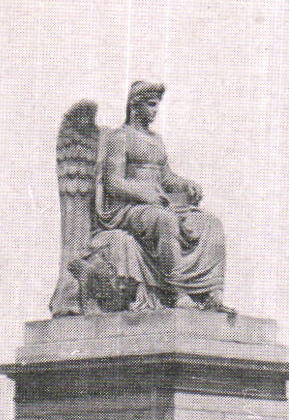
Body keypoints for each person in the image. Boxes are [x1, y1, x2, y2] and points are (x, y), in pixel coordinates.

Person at [99, 80, 231, 312]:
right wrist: (144, 193)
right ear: (134, 105)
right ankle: (177, 292)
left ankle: (212, 293)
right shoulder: (120, 137)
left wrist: (186, 184)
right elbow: (113, 182)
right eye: (151, 105)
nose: (155, 111)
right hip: (129, 209)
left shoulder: (156, 140)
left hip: (159, 204)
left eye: (157, 105)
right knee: (166, 221)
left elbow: (166, 177)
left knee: (211, 224)